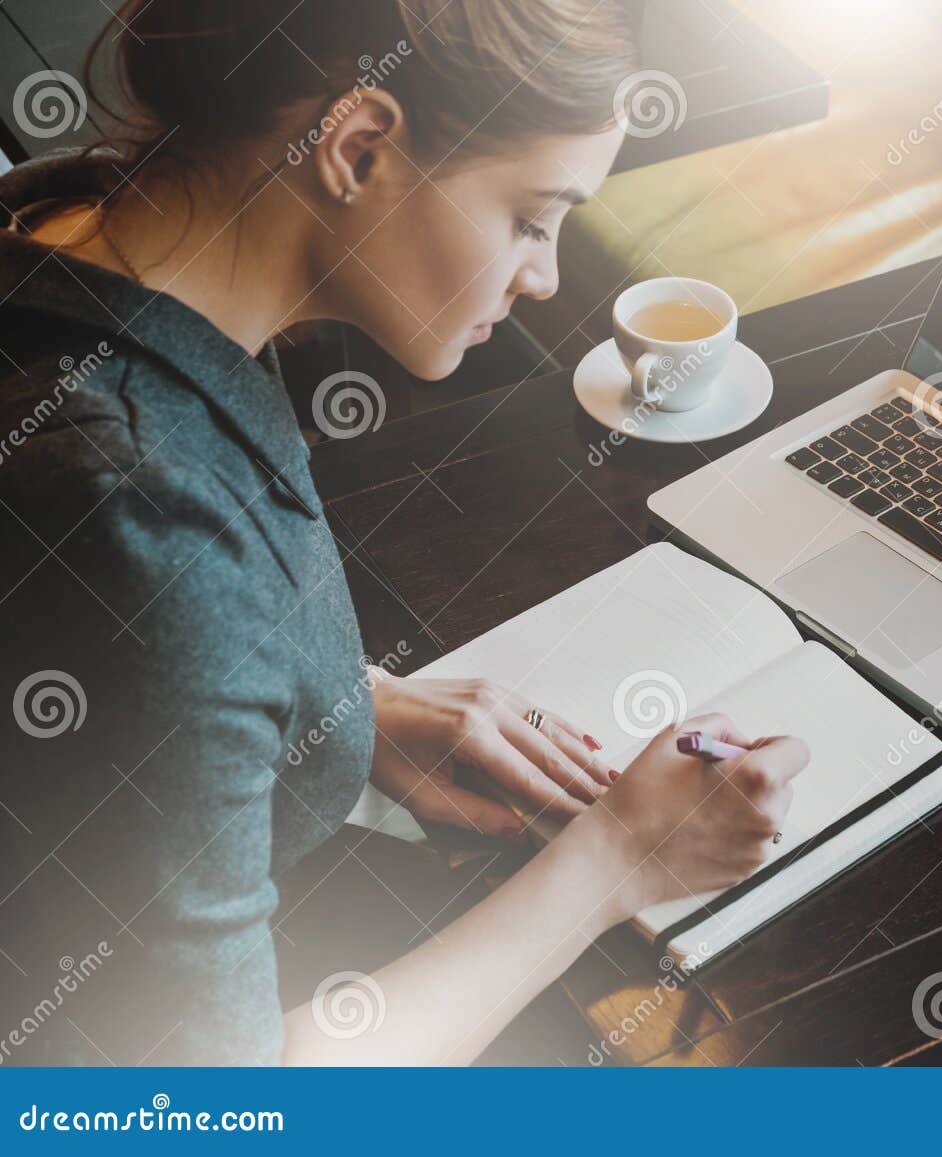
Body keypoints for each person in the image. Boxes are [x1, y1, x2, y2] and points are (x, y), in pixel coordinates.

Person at [0, 0, 807, 1065]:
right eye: (530, 215)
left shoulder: (61, 221)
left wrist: (333, 698)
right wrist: (616, 861)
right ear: (358, 145)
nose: (546, 276)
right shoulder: (143, 516)